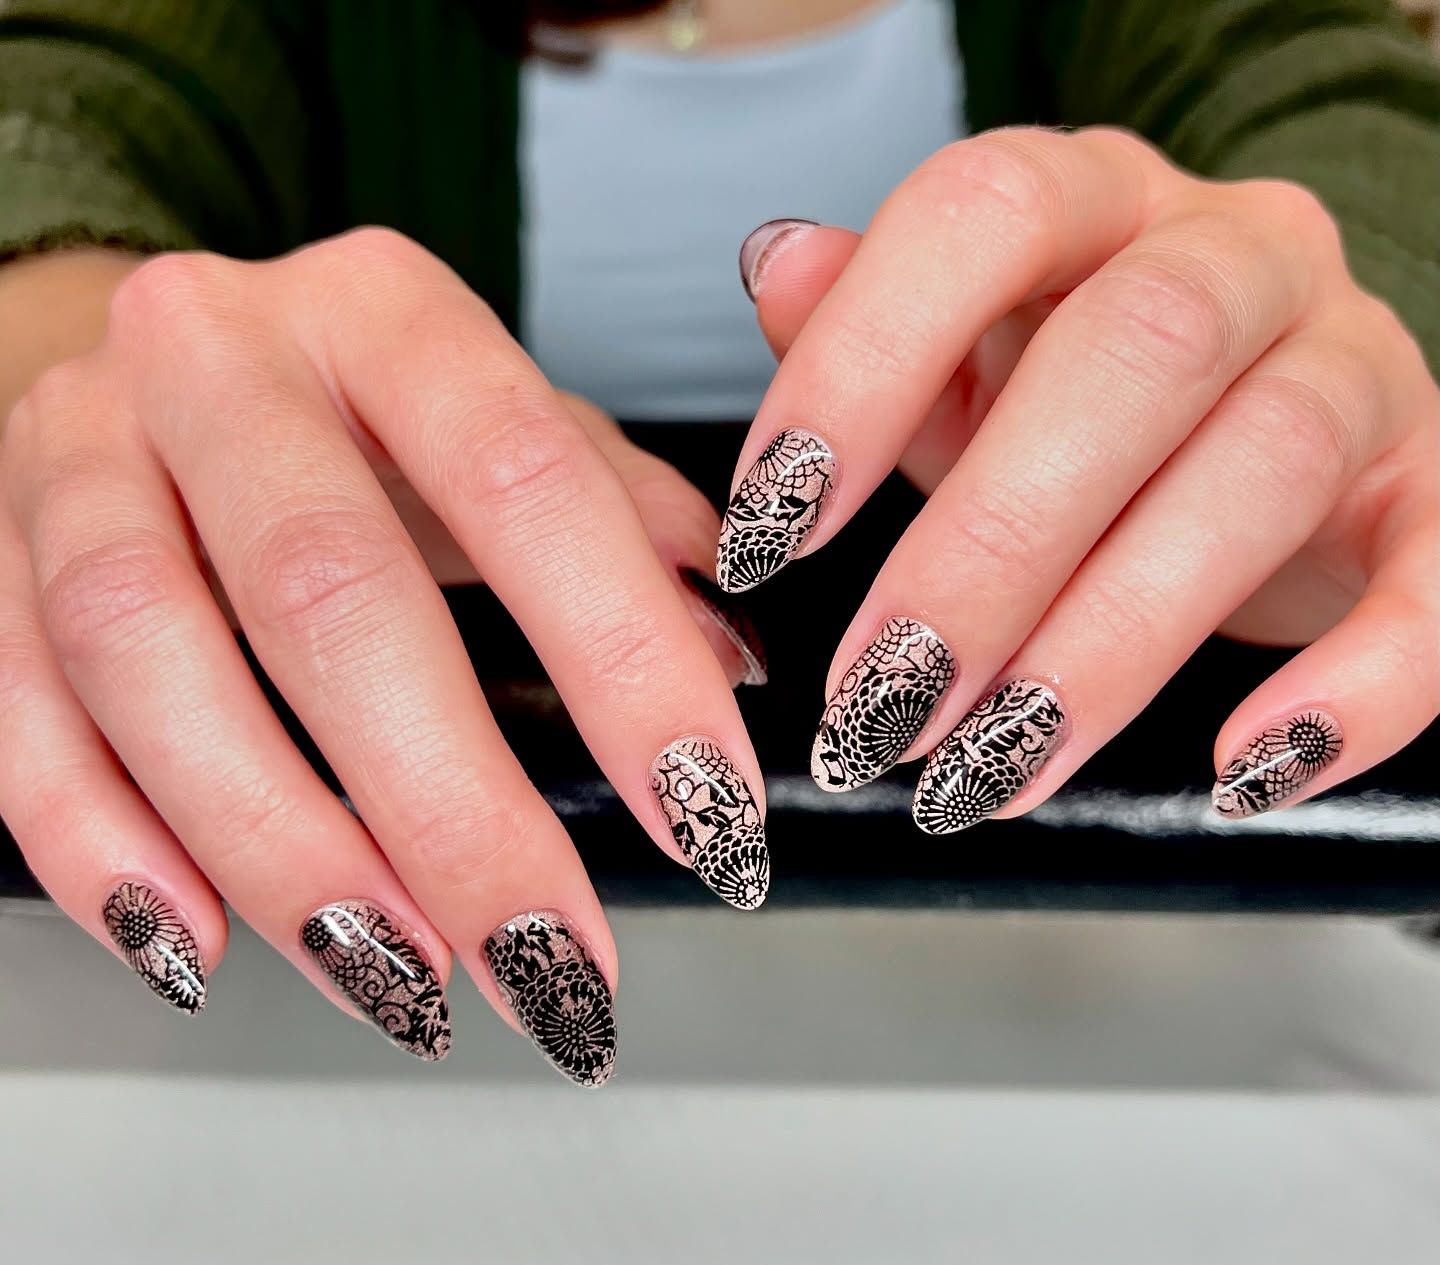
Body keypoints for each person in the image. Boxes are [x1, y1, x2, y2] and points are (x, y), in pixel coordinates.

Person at [0, 0, 1436, 1084]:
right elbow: (65, 108)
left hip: (1096, 1015)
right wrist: (74, 382)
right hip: (341, 1071)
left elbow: (1345, 114)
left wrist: (1322, 373)